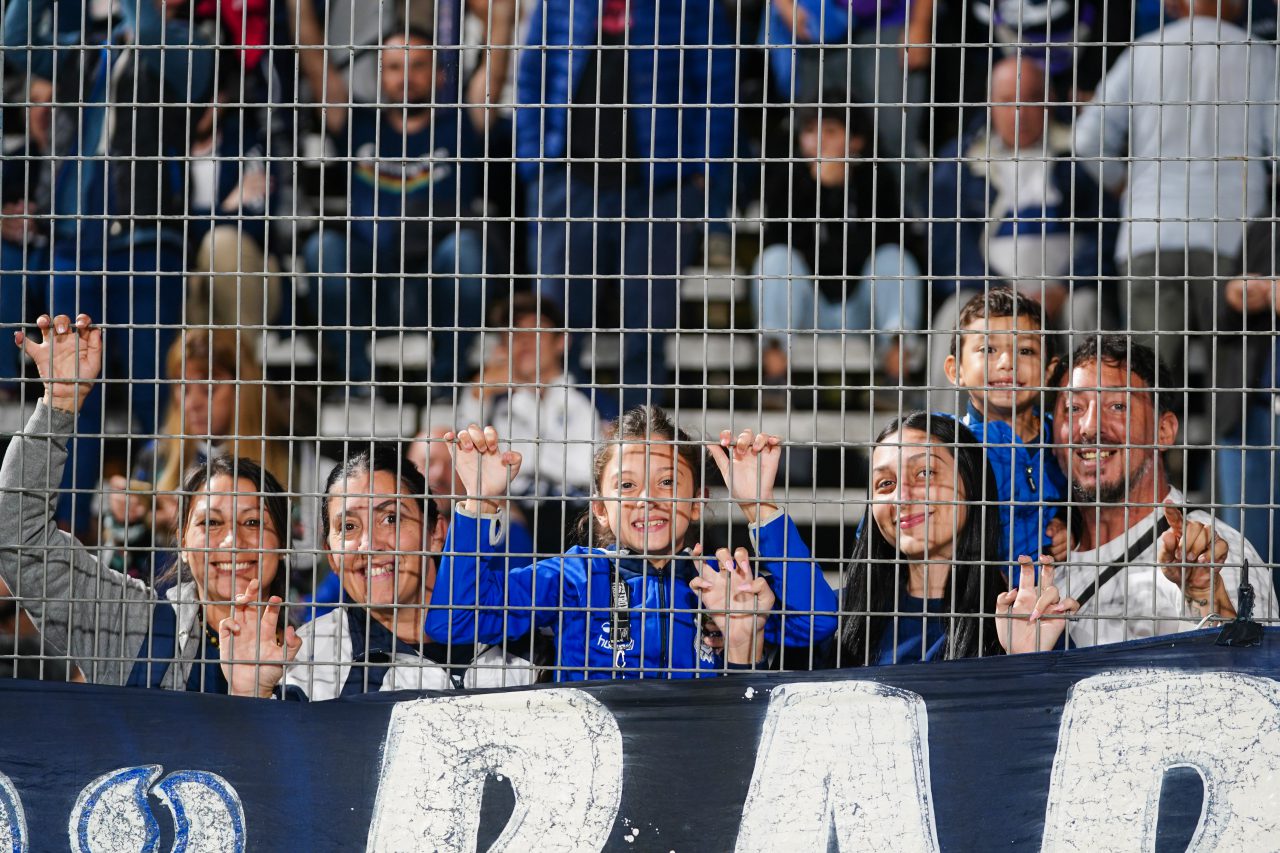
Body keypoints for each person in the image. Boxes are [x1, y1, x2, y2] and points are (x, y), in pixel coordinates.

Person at [2, 0, 219, 534]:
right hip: (75, 244)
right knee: (71, 396)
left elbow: (151, 34)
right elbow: (16, 37)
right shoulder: (86, 49)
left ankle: (167, 537)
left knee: (155, 394)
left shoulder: (191, 44)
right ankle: (64, 534)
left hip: (148, 244)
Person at [427, 408, 840, 678]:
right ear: (600, 509)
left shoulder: (723, 582)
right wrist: (479, 504)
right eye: (626, 485)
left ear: (698, 503)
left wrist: (759, 508)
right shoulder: (575, 574)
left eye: (667, 482)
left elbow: (817, 622)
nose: (647, 498)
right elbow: (452, 622)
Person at [1, 314, 292, 693]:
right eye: (210, 522)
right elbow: (17, 534)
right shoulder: (129, 622)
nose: (232, 540)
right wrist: (59, 402)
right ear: (182, 542)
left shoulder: (320, 649)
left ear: (284, 544)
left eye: (253, 522)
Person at [518, 0, 735, 415]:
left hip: (660, 188)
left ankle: (641, 439)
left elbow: (718, 83)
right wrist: (537, 161)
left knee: (646, 329)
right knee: (559, 328)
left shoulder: (691, 6)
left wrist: (702, 171)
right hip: (570, 182)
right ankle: (560, 435)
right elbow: (532, 75)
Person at [286, 0, 515, 393]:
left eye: (418, 65)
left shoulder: (463, 122)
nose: (406, 77)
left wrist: (500, 13)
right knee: (323, 249)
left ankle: (446, 380)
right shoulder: (355, 122)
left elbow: (498, 44)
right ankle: (357, 380)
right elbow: (310, 51)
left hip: (437, 288)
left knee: (465, 250)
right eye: (394, 67)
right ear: (379, 76)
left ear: (439, 74)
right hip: (371, 286)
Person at [219, 446, 541, 700]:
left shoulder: (522, 628)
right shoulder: (310, 655)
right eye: (348, 527)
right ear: (331, 556)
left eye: (391, 519)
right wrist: (251, 691)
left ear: (436, 533)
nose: (369, 545)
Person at [1073, 0, 1277, 370]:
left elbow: (1087, 139)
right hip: (1232, 232)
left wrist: (1123, 184)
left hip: (1149, 229)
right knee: (1230, 376)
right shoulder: (1257, 54)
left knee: (1151, 376)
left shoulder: (1143, 52)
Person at [1044, 335, 1276, 648]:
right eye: (1073, 408)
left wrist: (1208, 597)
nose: (1089, 427)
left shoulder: (1215, 554)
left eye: (1117, 406)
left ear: (1164, 431)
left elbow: (1257, 673)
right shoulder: (1040, 560)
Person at [929, 55, 1111, 397]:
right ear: (989, 104)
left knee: (1087, 307)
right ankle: (943, 426)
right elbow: (948, 249)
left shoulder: (1079, 154)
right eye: (1006, 100)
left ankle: (1089, 417)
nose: (1019, 112)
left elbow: (1105, 233)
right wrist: (1000, 295)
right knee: (954, 314)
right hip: (989, 294)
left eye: (1030, 99)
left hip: (1063, 294)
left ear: (1050, 101)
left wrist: (1065, 286)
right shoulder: (962, 161)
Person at [101, 329, 328, 587]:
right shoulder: (158, 455)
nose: (192, 403)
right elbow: (119, 573)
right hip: (169, 603)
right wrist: (126, 523)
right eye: (183, 388)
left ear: (242, 389)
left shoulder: (287, 452)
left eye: (208, 389)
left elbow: (307, 559)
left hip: (260, 601)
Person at [753, 100, 925, 401]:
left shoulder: (876, 179)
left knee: (893, 259)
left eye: (830, 131)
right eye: (809, 131)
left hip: (863, 309)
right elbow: (778, 243)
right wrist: (817, 188)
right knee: (776, 260)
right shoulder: (787, 180)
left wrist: (841, 188)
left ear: (855, 140)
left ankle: (896, 379)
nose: (818, 140)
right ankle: (775, 379)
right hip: (807, 308)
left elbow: (893, 241)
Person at [832, 412, 1010, 666]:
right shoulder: (833, 614)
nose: (902, 498)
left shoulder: (1019, 618)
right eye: (886, 483)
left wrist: (1029, 655)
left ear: (972, 483)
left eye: (925, 473)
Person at [455, 292, 603, 548]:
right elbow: (463, 455)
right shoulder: (491, 398)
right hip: (513, 513)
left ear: (562, 341)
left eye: (536, 331)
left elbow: (590, 468)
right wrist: (480, 390)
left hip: (578, 512)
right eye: (515, 334)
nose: (524, 341)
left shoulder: (590, 397)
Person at [942, 288, 1069, 567]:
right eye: (987, 349)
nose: (1007, 363)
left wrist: (1074, 528)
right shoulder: (944, 448)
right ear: (955, 370)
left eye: (1025, 351)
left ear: (1049, 371)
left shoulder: (1068, 440)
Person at [1213, 219, 1280, 572]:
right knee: (1247, 558)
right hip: (1251, 411)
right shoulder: (1265, 228)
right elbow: (1221, 318)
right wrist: (1235, 295)